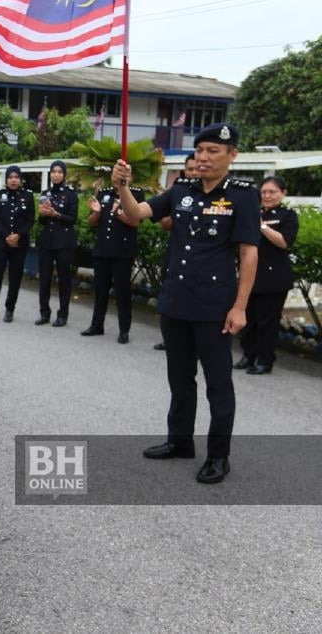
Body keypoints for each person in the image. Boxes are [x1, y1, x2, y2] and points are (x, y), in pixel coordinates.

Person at [112, 123, 260, 484]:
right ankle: (179, 441)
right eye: (200, 151)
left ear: (232, 155)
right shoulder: (181, 191)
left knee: (218, 384)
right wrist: (122, 186)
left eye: (214, 151)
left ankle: (218, 456)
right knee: (180, 379)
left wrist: (240, 307)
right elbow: (136, 214)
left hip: (214, 307)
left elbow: (249, 252)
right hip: (176, 302)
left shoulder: (242, 195)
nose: (204, 157)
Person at [235, 176, 299, 375]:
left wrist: (262, 226)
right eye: (264, 192)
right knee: (249, 319)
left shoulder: (288, 215)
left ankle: (264, 360)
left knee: (267, 322)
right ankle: (248, 355)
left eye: (272, 192)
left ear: (283, 193)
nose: (268, 196)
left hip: (274, 278)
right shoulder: (254, 213)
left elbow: (283, 242)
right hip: (251, 275)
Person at [81, 183, 144, 343]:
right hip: (102, 250)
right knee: (100, 291)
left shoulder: (136, 194)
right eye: (115, 174)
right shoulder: (103, 193)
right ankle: (97, 325)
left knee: (122, 293)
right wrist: (96, 213)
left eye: (122, 174)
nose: (118, 178)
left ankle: (124, 330)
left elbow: (135, 222)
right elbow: (92, 222)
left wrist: (117, 211)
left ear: (129, 176)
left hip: (122, 252)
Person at [154, 155, 200, 351]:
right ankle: (170, 339)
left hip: (201, 263)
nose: (194, 173)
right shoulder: (177, 192)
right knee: (170, 297)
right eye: (190, 169)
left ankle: (196, 343)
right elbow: (164, 224)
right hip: (176, 256)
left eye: (196, 169)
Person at [0, 165, 35, 324]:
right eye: (10, 177)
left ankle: (9, 309)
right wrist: (7, 236)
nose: (13, 180)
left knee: (15, 277)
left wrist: (18, 235)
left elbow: (30, 220)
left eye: (16, 177)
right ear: (6, 180)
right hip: (1, 242)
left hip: (20, 243)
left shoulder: (27, 196)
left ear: (20, 179)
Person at [35, 160, 78, 327]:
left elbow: (72, 219)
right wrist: (43, 214)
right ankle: (44, 313)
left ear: (64, 175)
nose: (56, 174)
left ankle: (62, 315)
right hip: (47, 242)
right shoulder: (45, 193)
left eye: (60, 172)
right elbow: (41, 221)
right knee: (44, 279)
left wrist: (56, 214)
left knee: (64, 280)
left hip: (64, 243)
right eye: (53, 171)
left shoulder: (71, 195)